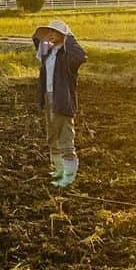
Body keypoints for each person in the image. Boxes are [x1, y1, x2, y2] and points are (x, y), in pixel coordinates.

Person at [32, 18, 87, 188]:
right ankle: (58, 170)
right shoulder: (48, 52)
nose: (52, 35)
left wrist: (68, 38)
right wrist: (46, 38)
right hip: (49, 97)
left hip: (63, 99)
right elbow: (36, 40)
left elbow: (81, 56)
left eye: (55, 32)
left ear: (63, 34)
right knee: (52, 136)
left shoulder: (68, 55)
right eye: (50, 32)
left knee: (65, 137)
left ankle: (68, 177)